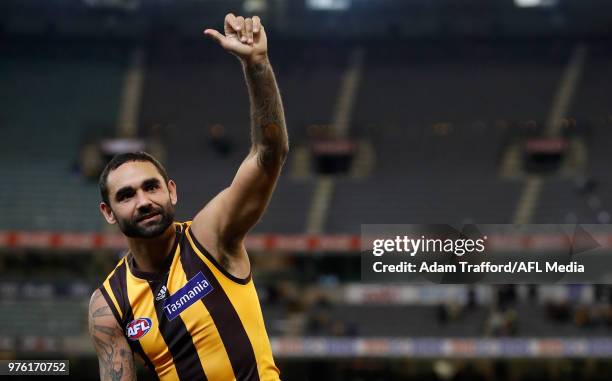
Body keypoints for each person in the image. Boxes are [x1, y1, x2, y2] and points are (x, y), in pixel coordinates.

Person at [88, 13, 288, 381]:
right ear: (109, 212)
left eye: (151, 187)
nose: (144, 200)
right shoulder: (109, 303)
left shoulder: (210, 238)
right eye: (127, 195)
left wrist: (257, 65)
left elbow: (268, 154)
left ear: (172, 192)